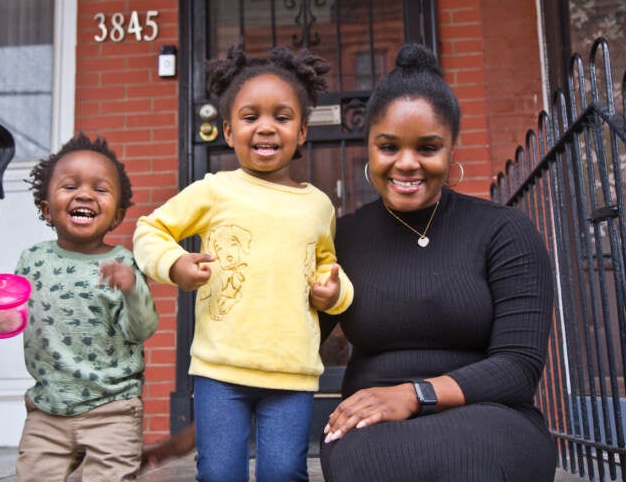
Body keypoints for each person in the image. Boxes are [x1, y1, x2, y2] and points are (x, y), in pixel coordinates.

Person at [319, 43, 556, 481]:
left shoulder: (504, 232)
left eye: (427, 147)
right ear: (369, 147)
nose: (406, 164)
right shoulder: (340, 238)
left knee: (473, 461)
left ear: (451, 149)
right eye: (388, 147)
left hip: (490, 415)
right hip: (372, 423)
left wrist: (413, 394)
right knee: (369, 465)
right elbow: (293, 344)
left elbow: (518, 367)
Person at [133, 45, 354, 482]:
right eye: (251, 117)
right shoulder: (214, 191)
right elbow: (149, 230)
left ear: (303, 131)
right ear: (229, 132)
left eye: (282, 117)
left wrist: (334, 293)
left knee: (283, 471)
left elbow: (329, 266)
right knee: (218, 473)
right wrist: (174, 264)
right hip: (221, 369)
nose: (266, 127)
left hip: (291, 371)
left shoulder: (317, 205)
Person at [0, 133, 158, 482]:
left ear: (117, 216)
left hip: (112, 409)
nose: (85, 194)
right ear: (46, 209)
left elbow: (142, 330)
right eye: (70, 186)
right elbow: (12, 319)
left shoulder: (122, 263)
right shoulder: (33, 260)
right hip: (47, 409)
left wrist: (133, 290)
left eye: (100, 189)